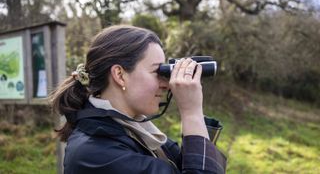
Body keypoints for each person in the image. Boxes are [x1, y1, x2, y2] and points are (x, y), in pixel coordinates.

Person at [50, 25, 226, 174]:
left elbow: (187, 165)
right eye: (157, 72)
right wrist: (191, 113)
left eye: (165, 72)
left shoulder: (135, 128)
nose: (166, 84)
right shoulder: (95, 153)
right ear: (120, 75)